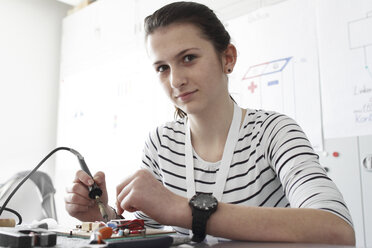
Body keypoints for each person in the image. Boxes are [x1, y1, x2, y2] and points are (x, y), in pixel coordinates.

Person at [64, 1, 355, 245]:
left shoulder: (274, 132)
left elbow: (336, 231)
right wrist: (103, 216)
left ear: (228, 58)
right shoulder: (160, 143)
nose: (176, 80)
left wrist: (185, 210)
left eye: (188, 58)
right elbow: (152, 229)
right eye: (162, 68)